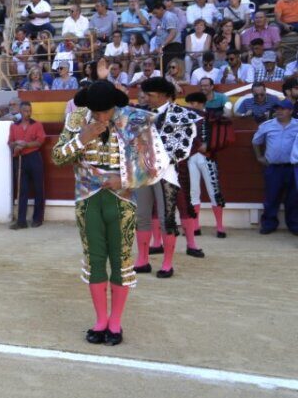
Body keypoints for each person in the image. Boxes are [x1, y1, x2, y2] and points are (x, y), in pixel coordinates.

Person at [52, 79, 172, 346]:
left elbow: (157, 164)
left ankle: (115, 322)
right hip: (88, 199)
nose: (100, 116)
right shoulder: (77, 118)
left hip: (122, 199)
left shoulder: (134, 120)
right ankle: (100, 320)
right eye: (95, 111)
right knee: (95, 260)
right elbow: (58, 157)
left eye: (105, 111)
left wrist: (125, 180)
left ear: (114, 107)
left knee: (120, 261)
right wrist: (83, 138)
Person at [134, 77, 203, 279]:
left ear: (164, 95)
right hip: (143, 173)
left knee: (167, 218)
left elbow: (184, 147)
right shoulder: (141, 114)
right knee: (142, 216)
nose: (147, 99)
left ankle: (167, 263)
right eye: (146, 95)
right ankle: (143, 260)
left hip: (167, 173)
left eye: (151, 95)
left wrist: (159, 163)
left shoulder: (182, 115)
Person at [184, 92, 229, 238]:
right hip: (191, 158)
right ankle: (195, 226)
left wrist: (209, 145)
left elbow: (222, 132)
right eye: (189, 104)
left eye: (193, 103)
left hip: (207, 156)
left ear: (200, 104)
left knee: (213, 191)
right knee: (193, 192)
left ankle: (220, 226)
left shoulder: (212, 117)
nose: (190, 106)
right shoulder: (186, 119)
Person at [251, 100, 298, 235]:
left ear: (290, 111)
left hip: (293, 167)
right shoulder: (267, 126)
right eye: (277, 109)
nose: (279, 111)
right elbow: (255, 141)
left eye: (283, 109)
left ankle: (294, 224)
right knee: (271, 196)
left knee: (294, 198)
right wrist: (259, 157)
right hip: (273, 167)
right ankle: (269, 224)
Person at [8, 101, 46, 229]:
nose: (28, 114)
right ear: (20, 111)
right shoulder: (14, 126)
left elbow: (40, 141)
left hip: (34, 157)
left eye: (29, 111)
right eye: (25, 111)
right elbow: (10, 142)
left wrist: (26, 144)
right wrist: (16, 144)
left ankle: (37, 218)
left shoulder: (37, 125)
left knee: (38, 188)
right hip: (20, 159)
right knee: (22, 190)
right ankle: (21, 220)